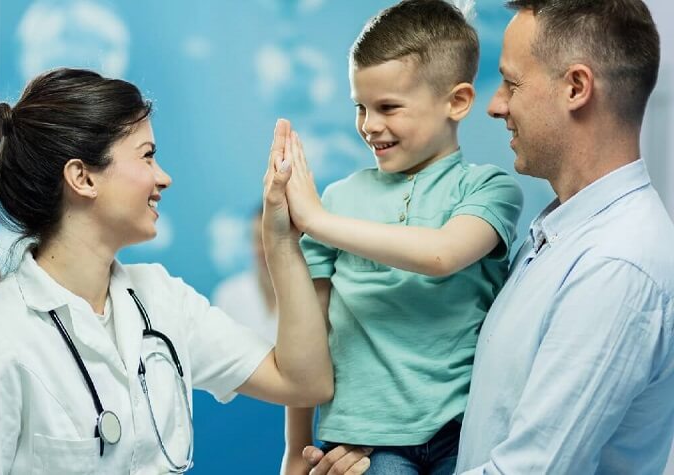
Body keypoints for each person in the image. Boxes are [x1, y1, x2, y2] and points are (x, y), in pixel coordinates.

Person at [0, 68, 332, 474]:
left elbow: (304, 382)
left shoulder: (162, 299)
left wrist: (279, 242)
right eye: (147, 156)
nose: (164, 178)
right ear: (82, 178)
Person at [279, 1, 523, 474]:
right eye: (361, 107)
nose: (369, 125)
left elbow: (441, 254)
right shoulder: (337, 199)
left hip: (465, 432)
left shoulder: (488, 189)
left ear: (457, 101)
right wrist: (295, 447)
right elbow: (310, 331)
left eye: (389, 107)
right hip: (362, 446)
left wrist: (315, 221)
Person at [453, 1, 674, 473]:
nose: (495, 105)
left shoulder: (616, 266)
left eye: (511, 83)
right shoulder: (562, 236)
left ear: (576, 87)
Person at [212, 206, 277, 343]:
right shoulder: (229, 294)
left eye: (271, 240)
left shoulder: (310, 295)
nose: (263, 249)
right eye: (257, 239)